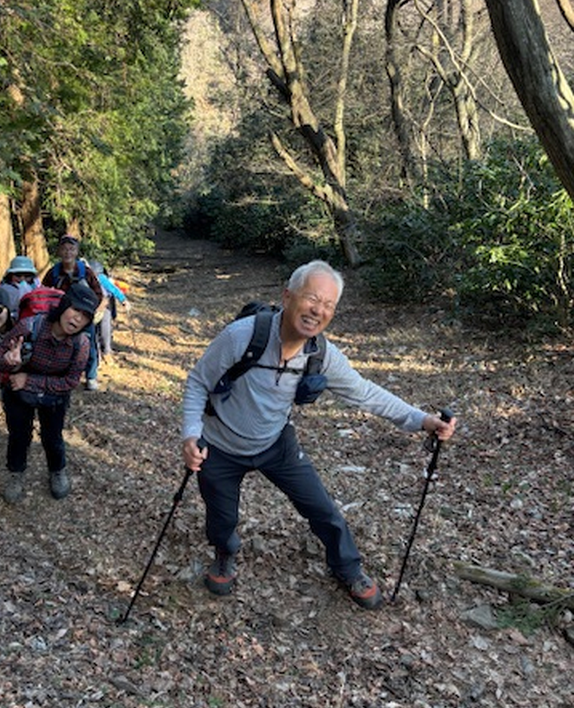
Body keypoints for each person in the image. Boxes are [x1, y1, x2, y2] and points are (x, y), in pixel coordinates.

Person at [181, 260, 456, 611]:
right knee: (221, 518)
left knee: (323, 510)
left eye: (327, 305)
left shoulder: (322, 354)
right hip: (220, 444)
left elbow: (365, 393)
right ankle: (224, 553)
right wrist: (191, 435)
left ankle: (348, 567)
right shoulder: (241, 336)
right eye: (311, 298)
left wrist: (422, 420)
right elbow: (198, 381)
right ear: (287, 297)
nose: (317, 310)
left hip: (275, 443)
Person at [0, 281, 99, 504]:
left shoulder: (81, 344)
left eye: (85, 316)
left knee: (52, 436)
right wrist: (9, 361)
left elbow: (70, 381)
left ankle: (57, 471)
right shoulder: (30, 326)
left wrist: (29, 380)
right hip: (17, 393)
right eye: (75, 310)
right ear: (64, 305)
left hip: (53, 396)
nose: (77, 319)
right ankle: (16, 473)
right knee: (19, 436)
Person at [42, 235, 105, 391]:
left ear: (76, 252)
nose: (68, 252)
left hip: (84, 316)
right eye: (64, 249)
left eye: (71, 249)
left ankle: (91, 376)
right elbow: (43, 293)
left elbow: (98, 293)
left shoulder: (86, 272)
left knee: (89, 345)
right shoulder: (53, 273)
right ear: (59, 251)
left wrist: (90, 311)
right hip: (61, 316)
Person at [88, 260, 128, 362]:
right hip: (95, 305)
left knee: (103, 328)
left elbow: (113, 289)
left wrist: (123, 300)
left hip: (104, 305)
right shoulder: (89, 278)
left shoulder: (101, 278)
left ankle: (105, 351)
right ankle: (99, 352)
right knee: (97, 328)